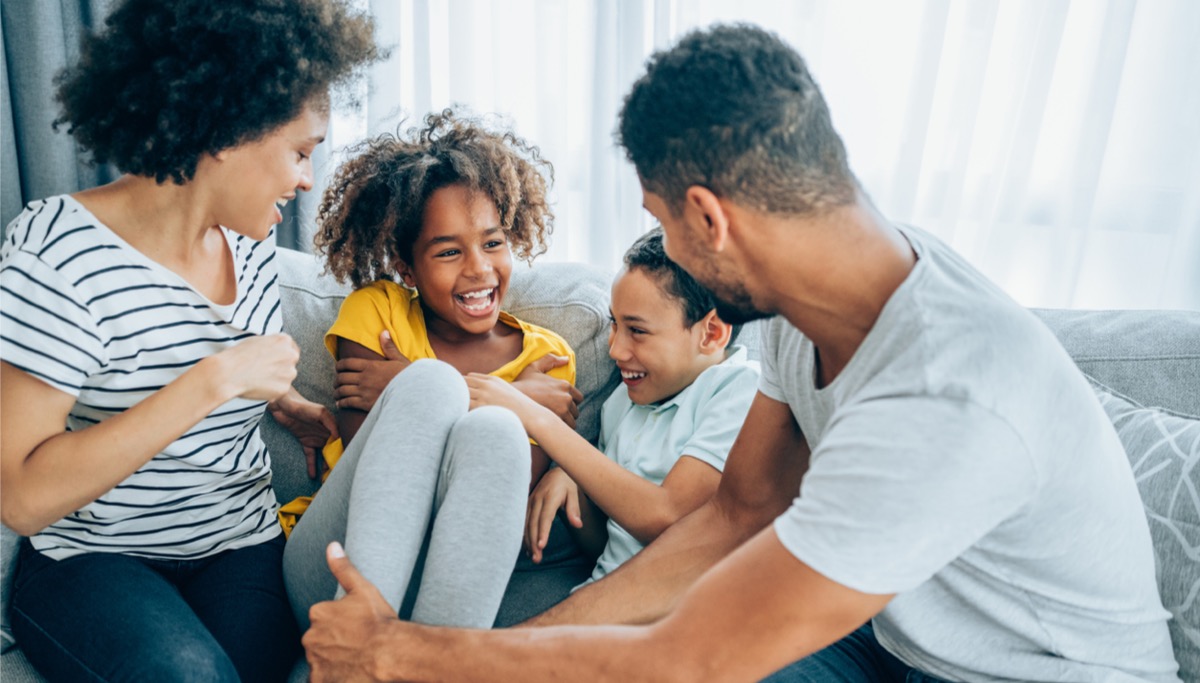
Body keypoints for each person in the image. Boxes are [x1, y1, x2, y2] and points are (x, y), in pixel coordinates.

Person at [300, 23, 1182, 683]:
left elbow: (687, 657)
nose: (660, 251)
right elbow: (732, 517)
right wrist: (519, 638)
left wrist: (404, 654)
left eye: (659, 223)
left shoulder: (946, 393)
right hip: (897, 643)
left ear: (708, 218)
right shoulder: (810, 311)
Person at [0, 1, 378, 681]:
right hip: (90, 557)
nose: (305, 179)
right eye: (299, 151)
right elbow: (22, 493)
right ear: (228, 130)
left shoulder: (252, 247)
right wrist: (214, 380)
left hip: (239, 544)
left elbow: (195, 356)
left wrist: (286, 404)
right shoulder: (57, 248)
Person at [280, 109, 583, 637]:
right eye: (448, 252)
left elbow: (495, 506)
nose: (479, 269)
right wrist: (510, 396)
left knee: (493, 428)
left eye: (493, 243)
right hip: (337, 560)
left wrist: (414, 386)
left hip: (455, 579)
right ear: (406, 265)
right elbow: (375, 466)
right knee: (437, 386)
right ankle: (359, 633)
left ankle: (429, 664)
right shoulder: (378, 312)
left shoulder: (548, 355)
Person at [469, 227, 758, 585]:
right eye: (613, 324)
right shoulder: (624, 400)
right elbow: (609, 545)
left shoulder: (739, 390)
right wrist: (574, 486)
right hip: (603, 596)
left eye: (637, 330)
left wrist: (538, 420)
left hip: (676, 613)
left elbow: (668, 519)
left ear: (711, 333)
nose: (615, 350)